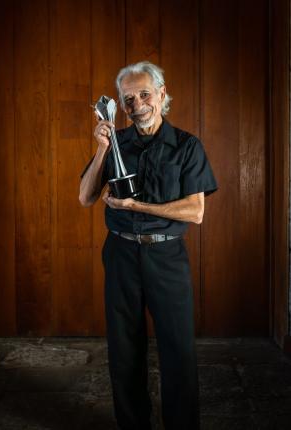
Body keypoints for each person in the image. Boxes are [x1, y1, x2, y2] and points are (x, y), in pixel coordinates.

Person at [79, 61, 218, 430]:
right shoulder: (116, 142)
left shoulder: (187, 146)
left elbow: (196, 211)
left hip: (166, 255)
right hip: (121, 253)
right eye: (128, 98)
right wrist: (101, 151)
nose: (136, 104)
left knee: (178, 350)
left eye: (144, 94)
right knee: (124, 349)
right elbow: (85, 197)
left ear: (161, 94)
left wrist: (136, 205)